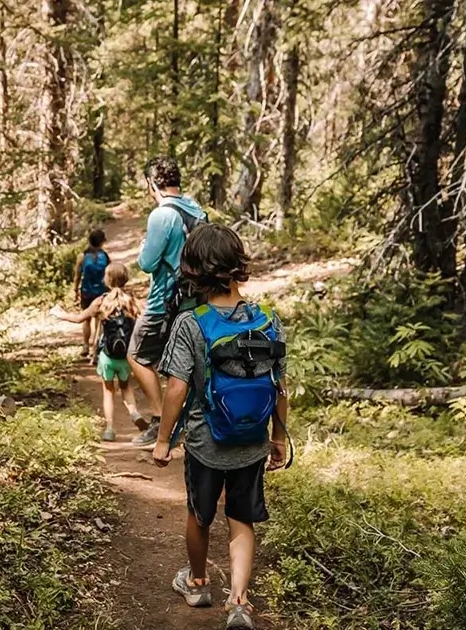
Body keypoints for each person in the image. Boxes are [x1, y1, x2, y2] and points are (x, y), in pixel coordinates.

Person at [150, 224, 289, 630]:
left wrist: (162, 441)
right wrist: (277, 439)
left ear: (194, 270)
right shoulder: (268, 321)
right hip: (252, 441)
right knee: (241, 518)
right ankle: (240, 603)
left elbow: (176, 388)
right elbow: (281, 388)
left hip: (205, 441)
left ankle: (196, 583)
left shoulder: (192, 323)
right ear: (237, 265)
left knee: (200, 513)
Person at [129, 156, 208, 447]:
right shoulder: (195, 208)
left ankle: (163, 421)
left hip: (165, 301)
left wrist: (142, 249)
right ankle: (190, 422)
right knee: (186, 364)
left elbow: (147, 263)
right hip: (197, 300)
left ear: (153, 184)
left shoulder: (162, 215)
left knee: (136, 355)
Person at [52, 262, 145, 441]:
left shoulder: (101, 301)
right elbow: (146, 319)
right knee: (125, 387)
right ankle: (134, 412)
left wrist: (59, 313)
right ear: (125, 279)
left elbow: (79, 318)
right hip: (126, 356)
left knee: (108, 391)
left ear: (107, 280)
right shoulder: (131, 300)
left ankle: (110, 428)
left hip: (107, 356)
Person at [74, 229, 111, 363]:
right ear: (102, 242)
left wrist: (75, 290)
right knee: (99, 322)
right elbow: (109, 275)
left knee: (86, 319)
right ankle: (95, 351)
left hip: (86, 292)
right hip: (101, 293)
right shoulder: (105, 257)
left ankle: (85, 346)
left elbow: (77, 276)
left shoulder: (82, 256)